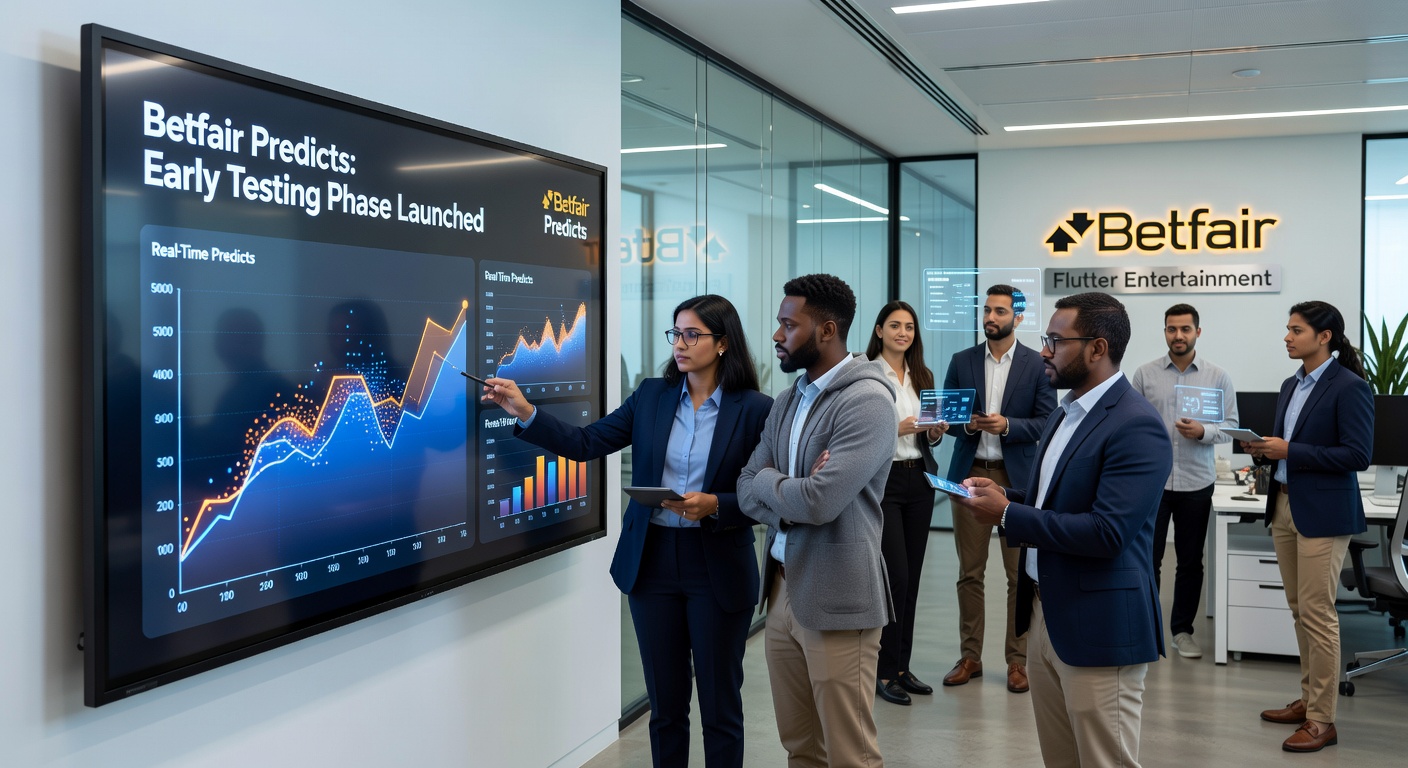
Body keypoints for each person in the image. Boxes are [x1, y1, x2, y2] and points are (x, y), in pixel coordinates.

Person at [480, 295, 771, 768]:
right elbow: (586, 441)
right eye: (675, 333)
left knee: (720, 709)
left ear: (722, 344)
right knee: (665, 708)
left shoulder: (756, 409)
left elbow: (766, 493)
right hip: (652, 564)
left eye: (692, 334)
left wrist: (717, 505)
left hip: (716, 564)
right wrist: (525, 409)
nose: (679, 343)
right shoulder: (652, 395)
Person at [950, 291, 1171, 768]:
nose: (1045, 350)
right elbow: (1055, 503)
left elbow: (1108, 532)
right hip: (1045, 614)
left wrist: (1007, 516)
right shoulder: (1065, 413)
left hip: (1099, 624)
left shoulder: (1137, 425)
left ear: (1097, 348)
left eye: (1056, 340)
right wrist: (1004, 498)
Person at [738, 274, 897, 768]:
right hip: (783, 590)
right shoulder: (788, 399)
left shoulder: (867, 401)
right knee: (800, 746)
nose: (776, 335)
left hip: (838, 597)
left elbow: (818, 504)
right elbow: (746, 487)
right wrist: (787, 484)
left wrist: (775, 482)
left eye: (789, 324)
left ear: (826, 330)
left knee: (850, 754)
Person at [1244, 300, 1373, 754]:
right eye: (1287, 329)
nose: (1287, 336)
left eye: (1296, 330)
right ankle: (1308, 698)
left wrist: (1290, 451)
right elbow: (1287, 447)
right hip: (1283, 505)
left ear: (1324, 337)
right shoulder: (1289, 384)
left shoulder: (1349, 387)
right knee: (1300, 610)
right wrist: (1264, 451)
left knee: (1318, 614)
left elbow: (1357, 456)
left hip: (1323, 513)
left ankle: (1323, 718)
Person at [934, 285, 1056, 693]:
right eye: (987, 309)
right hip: (968, 475)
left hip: (1015, 482)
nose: (990, 317)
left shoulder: (1037, 365)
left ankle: (1017, 661)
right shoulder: (961, 360)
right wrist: (968, 424)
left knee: (1017, 574)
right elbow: (948, 418)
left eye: (999, 311)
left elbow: (1047, 422)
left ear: (1017, 318)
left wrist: (1008, 426)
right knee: (970, 573)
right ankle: (970, 656)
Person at [1130, 303, 1239, 660]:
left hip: (1197, 481)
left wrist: (1203, 431)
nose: (1178, 335)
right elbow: (1129, 425)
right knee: (1148, 558)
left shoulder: (1217, 376)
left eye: (1185, 329)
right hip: (1153, 483)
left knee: (1191, 562)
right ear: (1165, 332)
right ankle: (1147, 626)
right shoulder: (1144, 375)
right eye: (1171, 329)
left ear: (1197, 332)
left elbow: (1231, 428)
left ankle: (1183, 631)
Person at [865, 300, 944, 706]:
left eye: (909, 326)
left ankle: (900, 667)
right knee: (893, 578)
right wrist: (897, 428)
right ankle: (881, 671)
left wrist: (933, 431)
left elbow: (929, 437)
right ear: (879, 330)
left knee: (910, 578)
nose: (903, 333)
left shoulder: (922, 375)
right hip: (885, 482)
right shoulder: (865, 374)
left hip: (920, 481)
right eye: (894, 325)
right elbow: (860, 432)